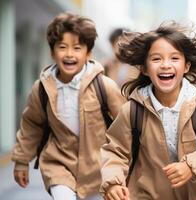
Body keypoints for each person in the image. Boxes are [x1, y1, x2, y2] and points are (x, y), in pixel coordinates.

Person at [99, 22, 196, 200]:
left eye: (174, 58)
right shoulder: (132, 111)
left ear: (186, 66)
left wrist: (191, 166)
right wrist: (114, 183)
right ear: (144, 68)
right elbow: (115, 151)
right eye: (156, 59)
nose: (165, 65)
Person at [11, 12, 125, 200]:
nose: (69, 54)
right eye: (62, 47)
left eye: (77, 48)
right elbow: (31, 125)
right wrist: (22, 161)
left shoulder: (104, 86)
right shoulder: (42, 88)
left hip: (99, 169)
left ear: (88, 53)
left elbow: (125, 127)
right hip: (59, 164)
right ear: (52, 51)